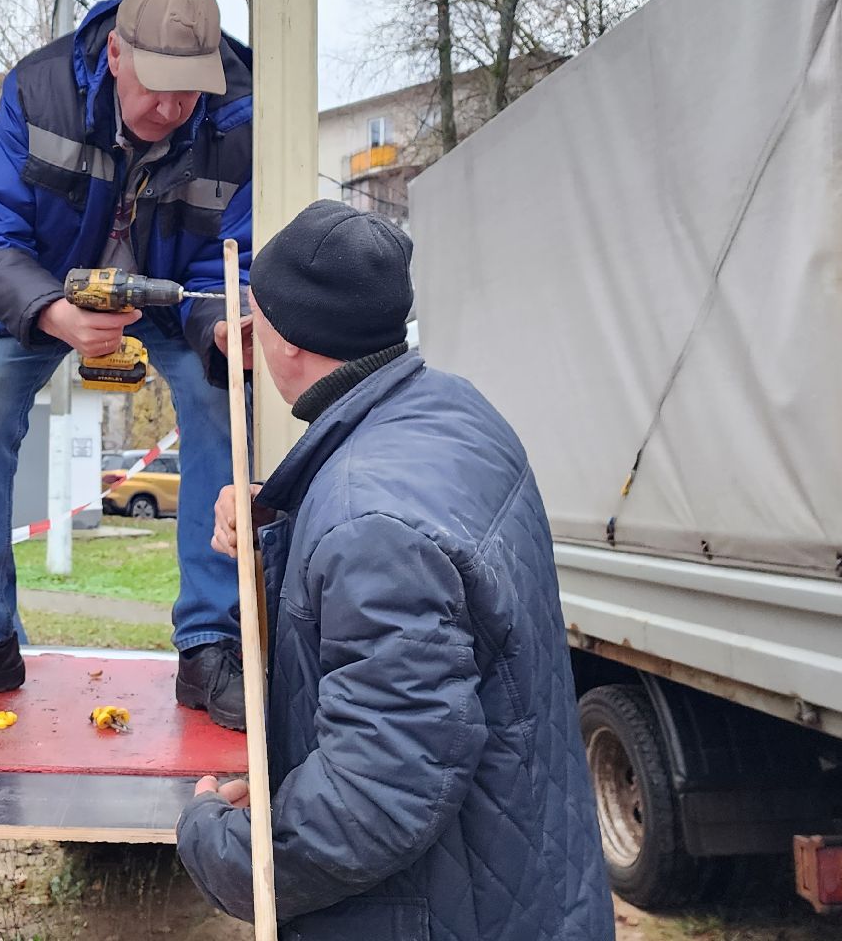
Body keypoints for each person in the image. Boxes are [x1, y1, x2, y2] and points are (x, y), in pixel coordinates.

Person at [177, 202, 613, 939]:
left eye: (256, 316)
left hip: (447, 912)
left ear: (287, 343)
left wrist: (225, 848)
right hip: (515, 874)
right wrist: (289, 515)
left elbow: (380, 790)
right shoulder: (450, 414)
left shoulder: (370, 522)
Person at [0, 0, 254, 729]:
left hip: (174, 296)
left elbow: (235, 256)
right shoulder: (38, 90)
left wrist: (223, 324)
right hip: (45, 288)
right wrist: (53, 312)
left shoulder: (239, 113)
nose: (172, 106)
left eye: (190, 89)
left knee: (225, 394)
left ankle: (212, 644)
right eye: (156, 84)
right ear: (116, 54)